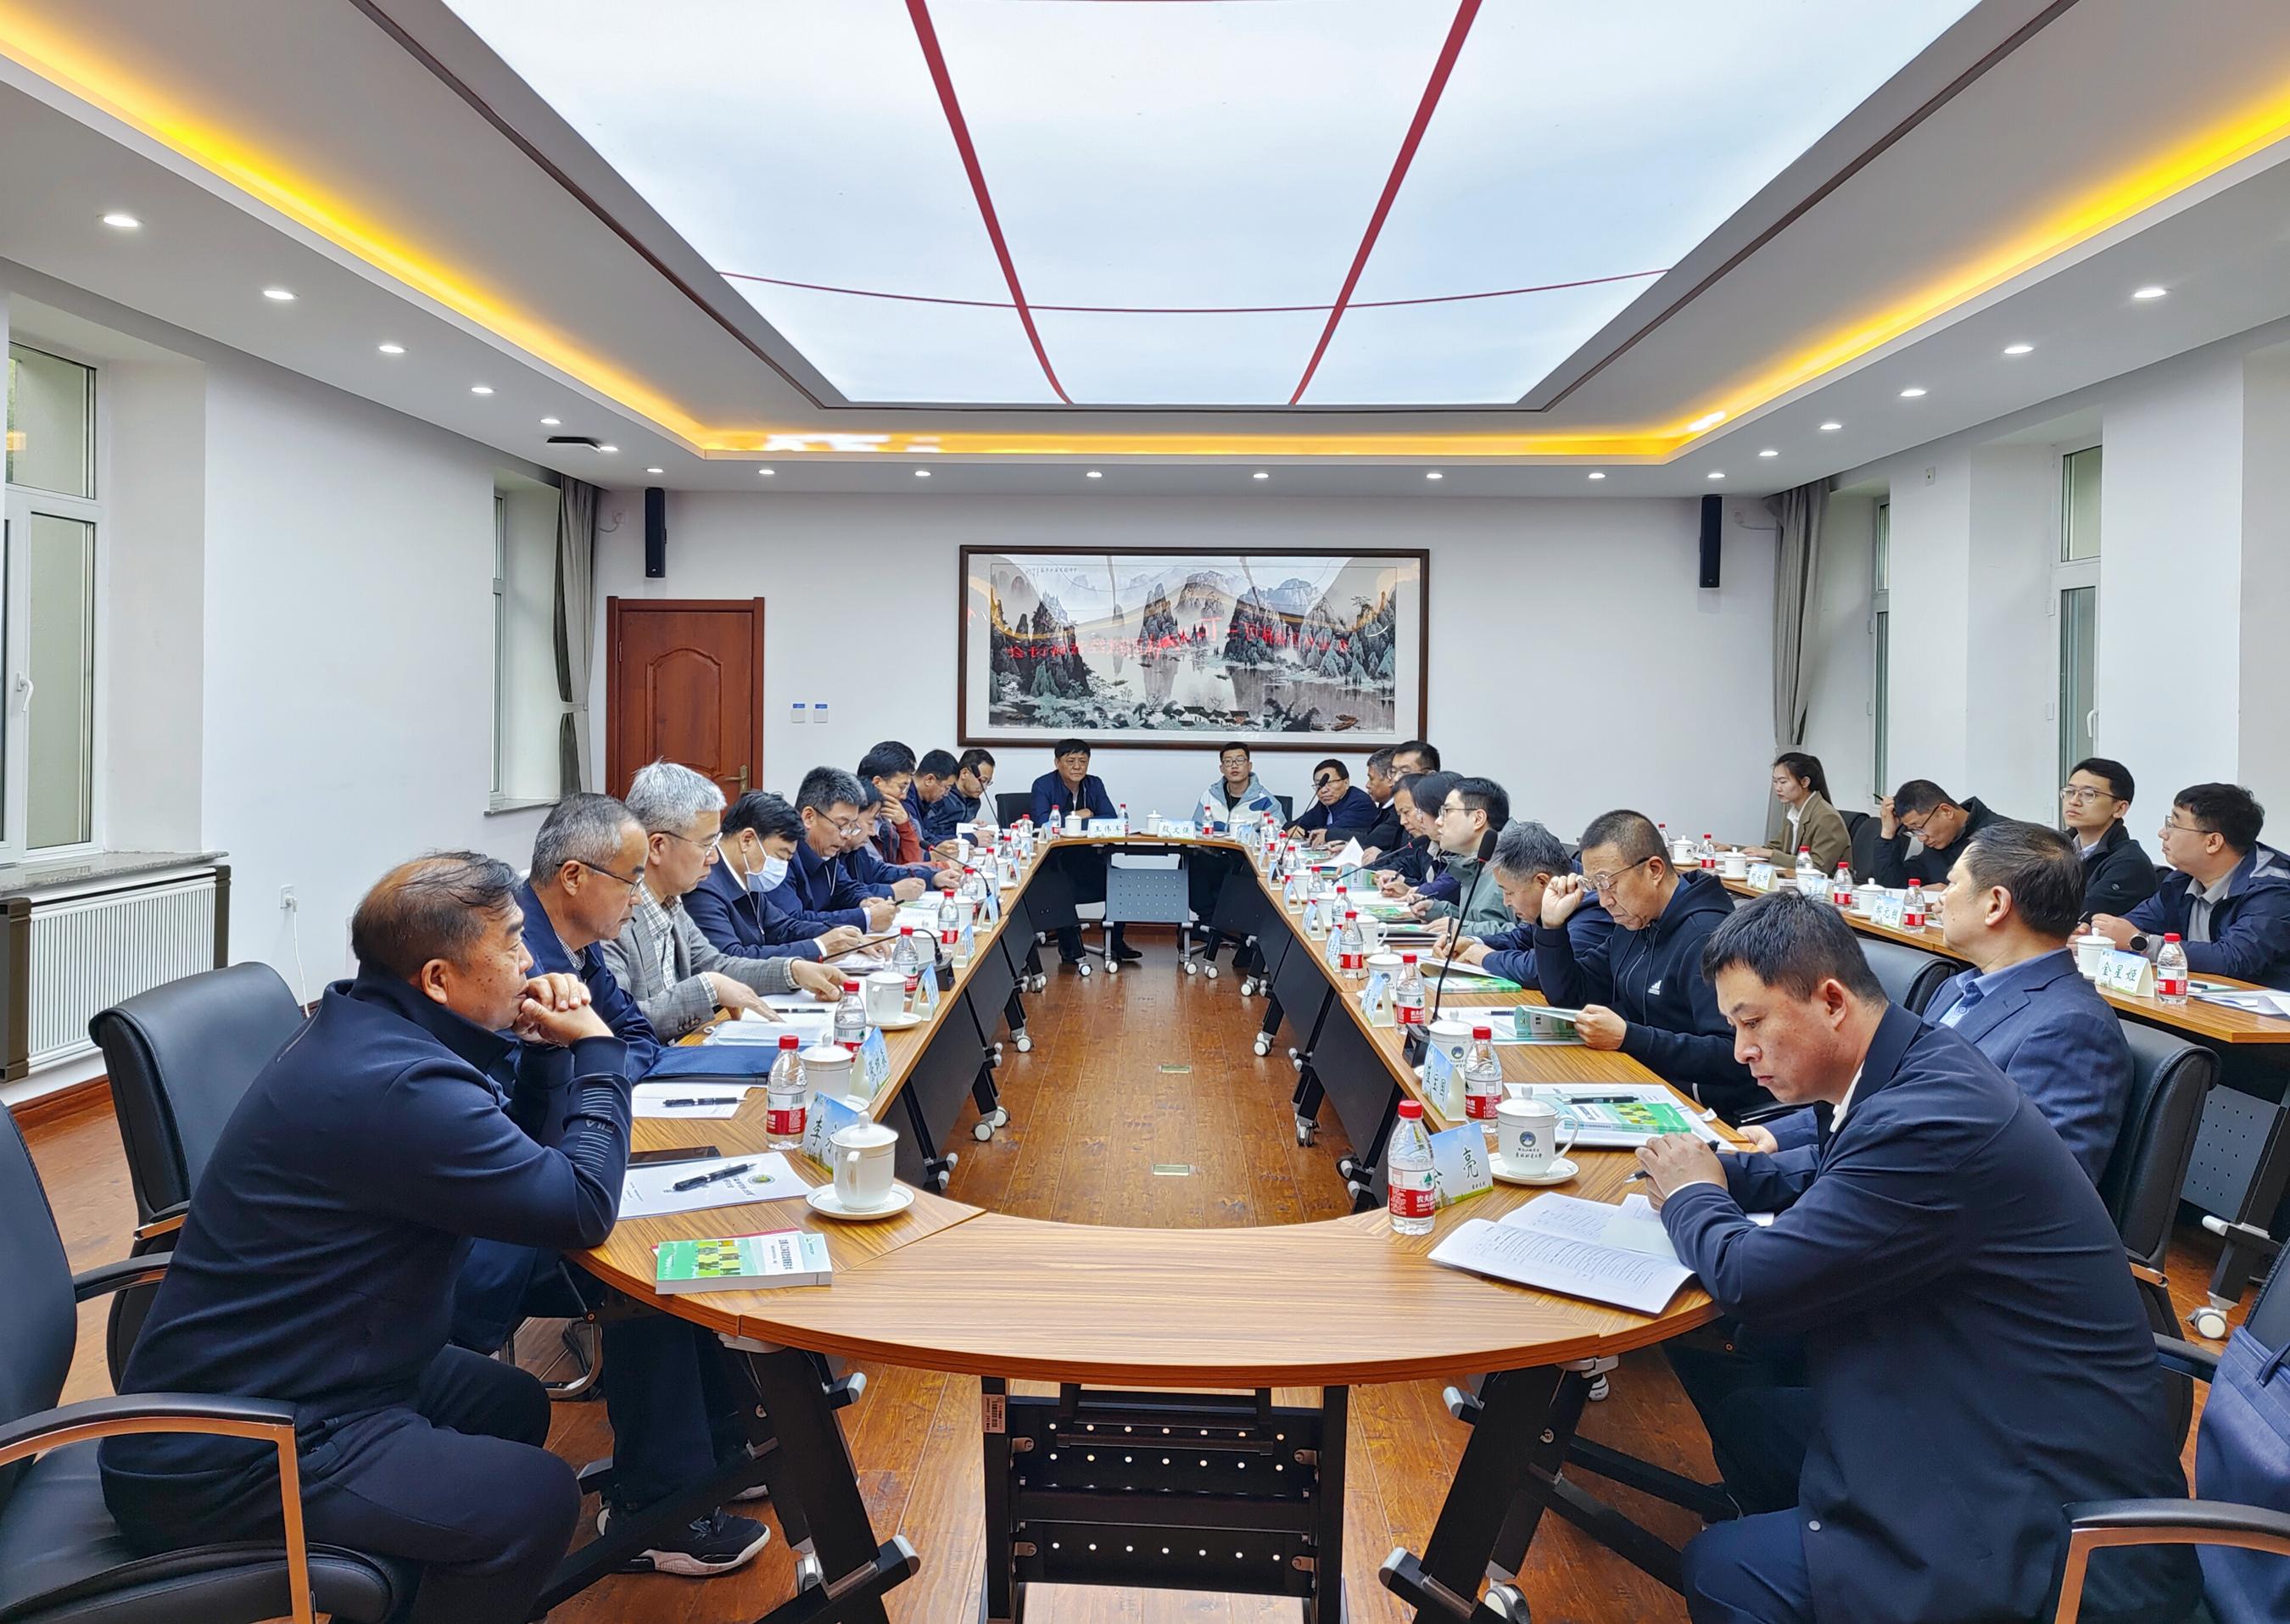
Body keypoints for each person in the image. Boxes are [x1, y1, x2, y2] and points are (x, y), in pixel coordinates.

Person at [1639, 890, 2198, 1624]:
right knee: (1753, 1422)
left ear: (1832, 1001)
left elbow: (1754, 1282)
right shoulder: (1911, 1064)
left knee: (1719, 1567)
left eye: (1752, 1022)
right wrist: (1725, 1172)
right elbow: (1843, 1172)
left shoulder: (1932, 1114)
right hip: (1972, 1392)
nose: (1741, 1049)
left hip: (2035, 1488)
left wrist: (1692, 1195)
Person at [100, 853, 628, 1624]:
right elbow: (579, 1205)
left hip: (316, 1370)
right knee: (537, 1499)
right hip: (233, 1449)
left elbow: (520, 1165)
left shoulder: (372, 1029)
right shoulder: (397, 1084)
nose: (530, 962)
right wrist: (598, 1050)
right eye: (514, 942)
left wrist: (546, 1055)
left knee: (507, 1402)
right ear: (439, 979)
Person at [460, 796, 774, 1574]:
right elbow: (533, 1103)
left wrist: (597, 1060)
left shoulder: (581, 948)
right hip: (498, 1228)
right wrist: (593, 1064)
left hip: (547, 1171)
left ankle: (720, 1451)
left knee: (698, 1222)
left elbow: (629, 1036)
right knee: (656, 1261)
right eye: (630, 878)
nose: (640, 896)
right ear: (573, 876)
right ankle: (660, 1508)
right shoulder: (516, 966)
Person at [1754, 821, 2131, 1183]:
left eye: (1952, 885)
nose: (1939, 902)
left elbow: (2038, 1181)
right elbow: (1880, 1091)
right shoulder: (1955, 988)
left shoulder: (2072, 1026)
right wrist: (1777, 1140)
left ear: (1995, 905)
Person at [1535, 809, 1765, 1117]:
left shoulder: (1706, 937)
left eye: (1608, 883)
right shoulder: (1634, 923)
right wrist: (1551, 927)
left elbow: (1732, 1053)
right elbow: (1570, 994)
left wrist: (1630, 1037)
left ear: (1654, 870)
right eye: (1595, 886)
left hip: (1702, 1107)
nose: (1604, 901)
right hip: (1640, 1080)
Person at [597, 762, 842, 1040]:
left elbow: (718, 965)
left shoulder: (672, 903)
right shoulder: (611, 918)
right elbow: (621, 1022)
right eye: (706, 845)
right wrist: (709, 988)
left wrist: (792, 970)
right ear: (657, 846)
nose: (713, 858)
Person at [2090, 781, 2290, 990]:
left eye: (2174, 825)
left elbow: (2234, 958)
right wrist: (2097, 934)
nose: (2163, 833)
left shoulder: (2273, 891)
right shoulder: (2182, 881)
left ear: (2213, 842)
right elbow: (2133, 925)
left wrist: (2140, 942)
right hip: (2199, 1000)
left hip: (2265, 1008)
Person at [686, 790, 867, 963]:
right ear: (747, 840)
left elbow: (782, 927)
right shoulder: (703, 888)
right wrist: (819, 947)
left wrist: (842, 935)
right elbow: (731, 959)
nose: (782, 867)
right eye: (781, 856)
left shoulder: (747, 877)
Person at [1441, 818, 1613, 995]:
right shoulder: (1556, 897)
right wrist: (1474, 943)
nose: (1506, 902)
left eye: (1509, 892)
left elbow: (1541, 970)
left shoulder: (1594, 907)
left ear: (1541, 881)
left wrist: (1486, 957)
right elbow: (1521, 938)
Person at [1027, 739, 1135, 965]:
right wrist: (1077, 816)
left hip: (1089, 859)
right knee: (1060, 887)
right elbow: (1043, 824)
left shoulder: (1094, 784)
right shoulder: (1043, 785)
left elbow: (1110, 819)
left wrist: (1076, 820)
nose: (1077, 766)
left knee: (1123, 882)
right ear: (1057, 763)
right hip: (1055, 863)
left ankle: (1114, 941)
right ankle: (1070, 949)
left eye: (1083, 761)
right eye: (1071, 761)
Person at [783, 766, 900, 937]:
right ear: (809, 817)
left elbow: (846, 887)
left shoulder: (827, 851)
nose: (847, 835)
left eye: (852, 826)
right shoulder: (783, 855)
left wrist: (865, 901)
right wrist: (866, 918)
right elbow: (792, 921)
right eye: (842, 825)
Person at [1413, 777, 1516, 937]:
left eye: (1447, 812)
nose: (1439, 822)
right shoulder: (1474, 859)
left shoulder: (1516, 860)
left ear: (1478, 819)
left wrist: (1464, 929)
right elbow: (1478, 920)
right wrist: (1438, 910)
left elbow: (1527, 935)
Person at [2062, 756, 2159, 918]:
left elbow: (2081, 917)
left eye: (2089, 794)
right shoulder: (2050, 848)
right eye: (2070, 792)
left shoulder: (2129, 864)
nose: (2074, 801)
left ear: (2120, 809)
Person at [1869, 779, 2003, 887]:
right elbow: (1894, 888)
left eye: (1920, 827)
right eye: (1914, 831)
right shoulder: (1935, 846)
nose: (1921, 838)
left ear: (1946, 811)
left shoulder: (2002, 837)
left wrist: (1954, 896)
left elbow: (2006, 899)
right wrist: (1887, 834)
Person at [1745, 751, 1850, 874]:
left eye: (1783, 782)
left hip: (1824, 884)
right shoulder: (1794, 813)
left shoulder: (1827, 817)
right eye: (1775, 781)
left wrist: (1772, 854)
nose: (1778, 788)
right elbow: (1773, 849)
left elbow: (1817, 867)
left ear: (1805, 782)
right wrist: (1732, 849)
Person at [1375, 771, 1454, 894]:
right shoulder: (1428, 844)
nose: (1403, 822)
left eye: (1421, 812)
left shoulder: (1462, 851)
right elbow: (1408, 865)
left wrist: (1409, 888)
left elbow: (1442, 890)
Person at [858, 740, 925, 867]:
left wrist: (905, 827)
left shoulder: (895, 819)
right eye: (901, 787)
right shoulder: (858, 821)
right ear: (877, 783)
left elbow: (915, 865)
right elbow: (882, 872)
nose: (904, 796)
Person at [1289, 758, 1378, 845]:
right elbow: (1298, 823)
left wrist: (1305, 832)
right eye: (1319, 784)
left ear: (1346, 783)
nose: (1323, 790)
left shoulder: (1360, 802)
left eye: (1330, 783)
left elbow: (1333, 832)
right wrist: (1292, 828)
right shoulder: (1324, 804)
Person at [1198, 739, 1281, 829]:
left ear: (1249, 766)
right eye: (1228, 761)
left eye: (1240, 760)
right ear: (1222, 769)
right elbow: (1195, 829)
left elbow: (1276, 833)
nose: (1234, 766)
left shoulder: (1266, 801)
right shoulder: (1209, 797)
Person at [928, 747, 997, 845]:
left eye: (988, 782)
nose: (984, 787)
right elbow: (929, 834)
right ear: (964, 773)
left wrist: (970, 827)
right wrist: (970, 837)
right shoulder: (941, 795)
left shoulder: (975, 802)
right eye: (982, 780)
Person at [1357, 746, 1406, 858]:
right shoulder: (1384, 804)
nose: (1367, 785)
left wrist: (1329, 835)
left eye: (1371, 779)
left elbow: (1371, 840)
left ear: (1390, 779)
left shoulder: (1399, 811)